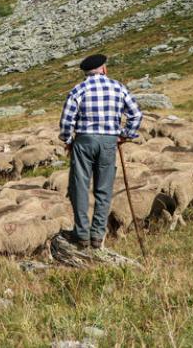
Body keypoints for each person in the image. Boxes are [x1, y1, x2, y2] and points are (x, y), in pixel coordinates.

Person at [59, 53, 142, 250]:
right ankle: (97, 234)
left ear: (86, 72)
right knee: (103, 188)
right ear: (103, 68)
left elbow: (65, 123)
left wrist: (69, 140)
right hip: (108, 143)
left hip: (84, 142)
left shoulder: (78, 90)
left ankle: (81, 234)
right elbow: (136, 114)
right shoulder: (118, 87)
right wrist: (124, 134)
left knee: (79, 187)